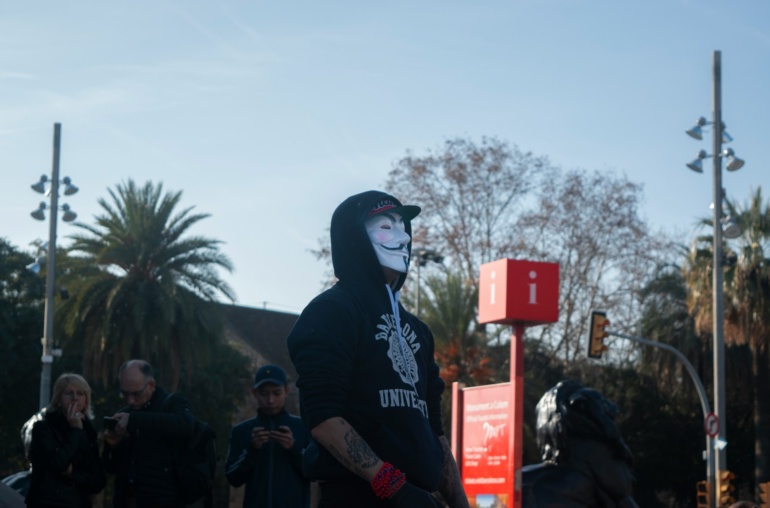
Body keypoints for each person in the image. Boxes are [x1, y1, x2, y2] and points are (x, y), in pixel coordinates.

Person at [287, 190, 470, 507]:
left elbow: (435, 433)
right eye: (386, 226)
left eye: (403, 226)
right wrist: (396, 489)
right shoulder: (332, 311)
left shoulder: (418, 330)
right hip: (356, 497)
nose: (402, 237)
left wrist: (460, 505)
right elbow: (323, 418)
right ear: (353, 239)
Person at [102, 359, 195, 508]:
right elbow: (110, 468)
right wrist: (113, 446)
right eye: (125, 394)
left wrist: (134, 420)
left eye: (136, 394)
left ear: (151, 385)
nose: (130, 401)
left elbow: (186, 424)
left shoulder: (171, 403)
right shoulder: (125, 414)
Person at [225, 364, 311, 507]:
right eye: (264, 393)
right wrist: (252, 450)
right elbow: (233, 478)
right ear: (255, 393)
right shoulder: (242, 431)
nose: (271, 400)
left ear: (286, 391)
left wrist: (293, 448)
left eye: (277, 393)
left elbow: (315, 474)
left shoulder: (303, 428)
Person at [25, 373, 106, 508]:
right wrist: (75, 430)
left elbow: (98, 481)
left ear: (86, 400)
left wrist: (73, 474)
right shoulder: (43, 428)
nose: (75, 398)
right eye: (69, 393)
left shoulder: (89, 433)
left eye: (80, 393)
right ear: (58, 399)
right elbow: (58, 464)